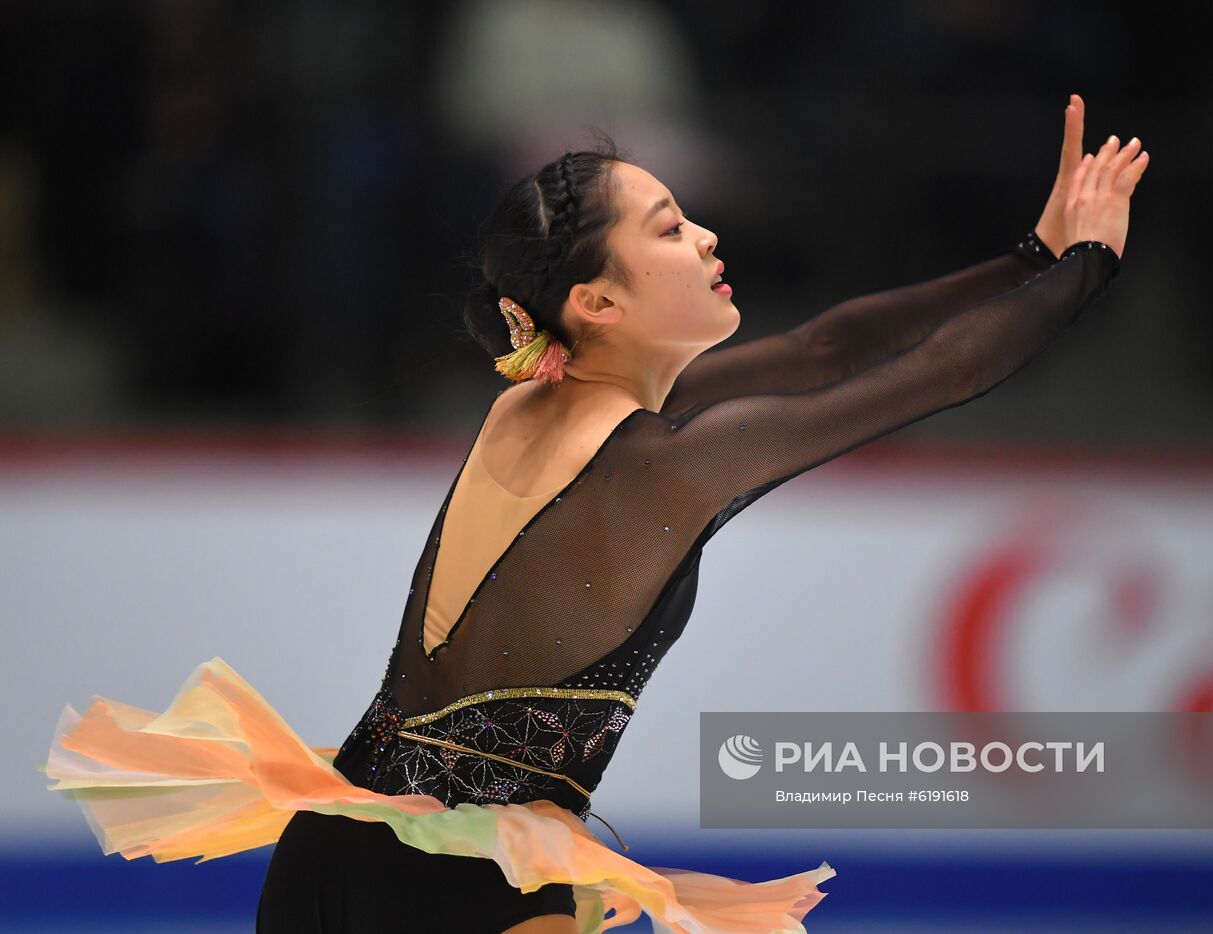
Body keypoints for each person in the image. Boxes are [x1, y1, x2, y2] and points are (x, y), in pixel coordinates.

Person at [43, 96, 1147, 933]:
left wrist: (1029, 256)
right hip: (472, 883)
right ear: (597, 302)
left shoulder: (534, 399)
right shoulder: (660, 466)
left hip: (336, 840)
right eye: (669, 229)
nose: (705, 237)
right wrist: (1090, 264)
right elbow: (939, 375)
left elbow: (825, 347)